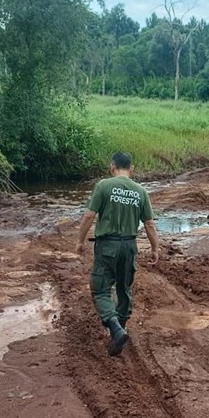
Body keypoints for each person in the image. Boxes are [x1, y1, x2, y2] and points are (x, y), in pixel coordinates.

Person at [76, 152, 160, 357]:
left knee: (100, 290)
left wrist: (79, 240)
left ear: (112, 167)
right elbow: (149, 223)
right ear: (132, 169)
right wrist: (155, 248)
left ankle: (115, 328)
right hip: (129, 246)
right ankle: (120, 329)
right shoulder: (140, 191)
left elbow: (89, 215)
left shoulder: (103, 186)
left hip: (108, 246)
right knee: (124, 289)